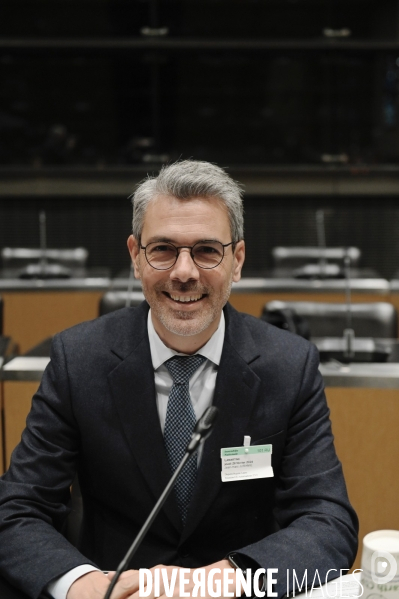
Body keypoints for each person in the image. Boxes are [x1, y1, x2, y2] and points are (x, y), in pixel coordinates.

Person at [0, 160, 358, 599]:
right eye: (163, 249)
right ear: (135, 256)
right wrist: (81, 585)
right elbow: (17, 510)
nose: (184, 272)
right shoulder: (79, 360)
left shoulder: (289, 365)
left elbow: (328, 520)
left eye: (206, 250)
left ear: (237, 261)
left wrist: (221, 580)